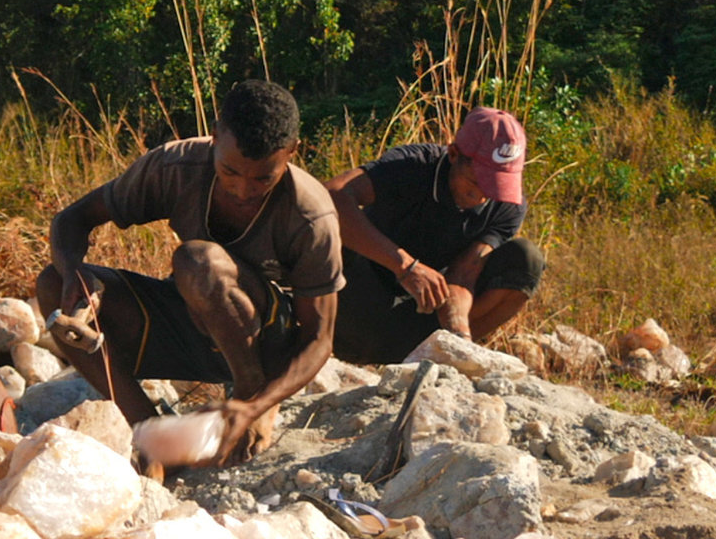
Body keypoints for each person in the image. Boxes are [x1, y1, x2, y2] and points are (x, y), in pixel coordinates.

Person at [37, 80, 343, 464]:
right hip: (193, 325)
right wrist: (73, 276)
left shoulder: (311, 215)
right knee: (50, 284)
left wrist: (257, 405)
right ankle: (146, 434)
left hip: (264, 344)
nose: (244, 189)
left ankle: (246, 393)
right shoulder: (175, 166)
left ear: (292, 153)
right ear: (214, 137)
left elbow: (319, 339)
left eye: (263, 178)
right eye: (230, 171)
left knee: (197, 261)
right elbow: (72, 219)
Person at [325, 106, 544, 364]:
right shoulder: (412, 166)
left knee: (526, 258)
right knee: (331, 230)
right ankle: (319, 336)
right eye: (478, 182)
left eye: (497, 185)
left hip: (415, 315)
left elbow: (463, 275)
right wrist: (405, 267)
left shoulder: (508, 205)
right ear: (453, 154)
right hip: (359, 293)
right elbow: (331, 195)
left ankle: (433, 354)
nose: (485, 195)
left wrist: (458, 337)